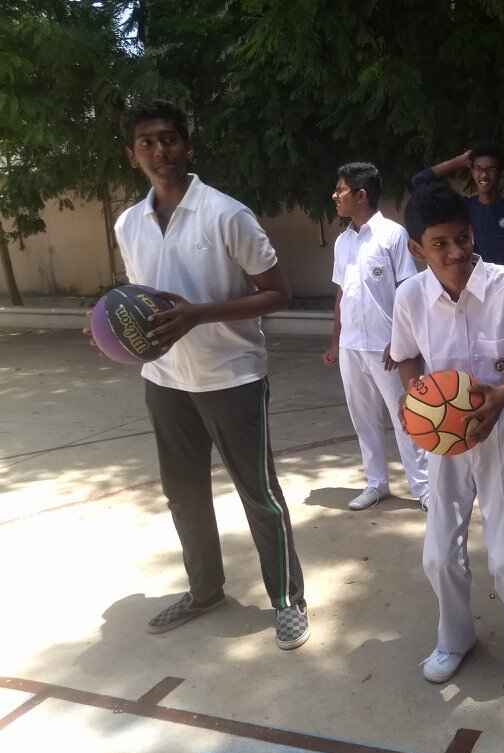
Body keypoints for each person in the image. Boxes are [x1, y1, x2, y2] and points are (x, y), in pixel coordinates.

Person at [112, 100, 309, 649]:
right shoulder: (128, 223)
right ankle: (205, 590)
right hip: (166, 379)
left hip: (231, 376)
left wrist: (200, 313)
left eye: (170, 138)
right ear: (133, 155)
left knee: (259, 495)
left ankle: (288, 599)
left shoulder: (227, 214)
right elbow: (138, 302)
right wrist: (111, 330)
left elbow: (279, 292)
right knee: (183, 493)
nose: (160, 150)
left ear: (188, 146)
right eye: (147, 142)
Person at [390, 181, 504, 689]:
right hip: (443, 442)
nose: (456, 253)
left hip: (500, 428)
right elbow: (403, 358)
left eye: (462, 238)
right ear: (417, 249)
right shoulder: (409, 297)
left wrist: (503, 395)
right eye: (439, 244)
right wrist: (414, 397)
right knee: (439, 554)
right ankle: (455, 636)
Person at [322, 162, 429, 511]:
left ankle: (424, 487)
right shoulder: (342, 241)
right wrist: (335, 340)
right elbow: (341, 294)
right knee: (363, 417)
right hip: (352, 345)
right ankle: (375, 482)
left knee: (405, 416)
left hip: (387, 348)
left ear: (361, 194)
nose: (335, 196)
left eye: (341, 190)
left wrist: (400, 341)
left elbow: (408, 291)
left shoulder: (393, 235)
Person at [411, 143, 504, 266]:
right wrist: (459, 161)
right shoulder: (463, 207)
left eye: (490, 169)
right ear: (471, 171)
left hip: (503, 283)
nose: (484, 175)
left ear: (500, 173)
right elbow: (418, 182)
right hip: (469, 283)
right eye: (478, 168)